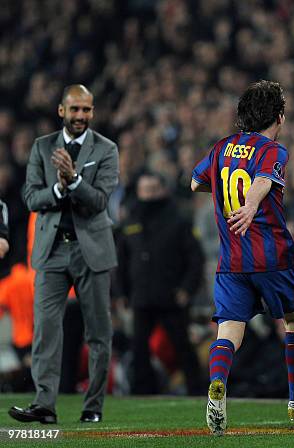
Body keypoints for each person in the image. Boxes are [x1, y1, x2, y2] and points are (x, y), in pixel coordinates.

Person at [191, 80, 294, 435]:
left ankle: (218, 384)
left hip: (232, 260)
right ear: (279, 115)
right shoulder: (272, 150)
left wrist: (220, 189)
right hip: (273, 256)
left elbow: (193, 182)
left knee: (229, 329)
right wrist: (250, 204)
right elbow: (263, 181)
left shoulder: (221, 148)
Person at [10, 84, 119, 424]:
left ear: (92, 112)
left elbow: (100, 200)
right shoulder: (42, 148)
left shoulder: (107, 149)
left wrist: (72, 180)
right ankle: (44, 404)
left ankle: (93, 406)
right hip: (52, 250)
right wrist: (58, 188)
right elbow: (31, 199)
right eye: (75, 110)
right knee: (45, 330)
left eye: (86, 110)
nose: (81, 116)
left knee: (98, 332)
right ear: (61, 111)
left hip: (92, 251)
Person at [115, 171, 206, 395]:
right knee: (139, 348)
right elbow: (121, 260)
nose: (149, 195)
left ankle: (198, 390)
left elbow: (196, 258)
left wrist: (187, 289)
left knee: (182, 345)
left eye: (154, 189)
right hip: (141, 295)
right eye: (145, 190)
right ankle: (141, 392)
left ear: (163, 190)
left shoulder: (178, 220)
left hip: (170, 295)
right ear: (138, 192)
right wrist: (121, 293)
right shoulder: (130, 221)